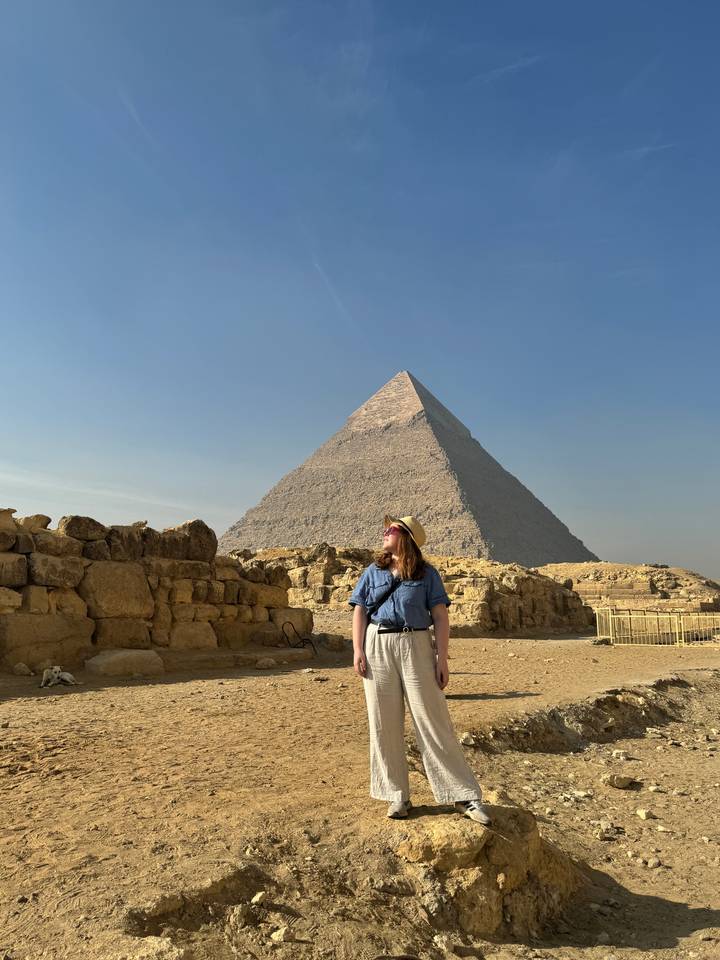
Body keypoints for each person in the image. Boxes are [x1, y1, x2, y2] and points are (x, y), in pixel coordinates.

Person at [349, 514, 491, 825]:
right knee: (383, 722)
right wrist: (358, 649)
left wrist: (442, 657)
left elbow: (440, 616)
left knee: (432, 718)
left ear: (407, 537)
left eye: (392, 529)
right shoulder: (373, 572)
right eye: (386, 528)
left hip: (416, 643)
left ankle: (463, 794)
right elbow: (360, 610)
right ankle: (396, 794)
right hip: (378, 645)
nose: (385, 532)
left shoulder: (428, 575)